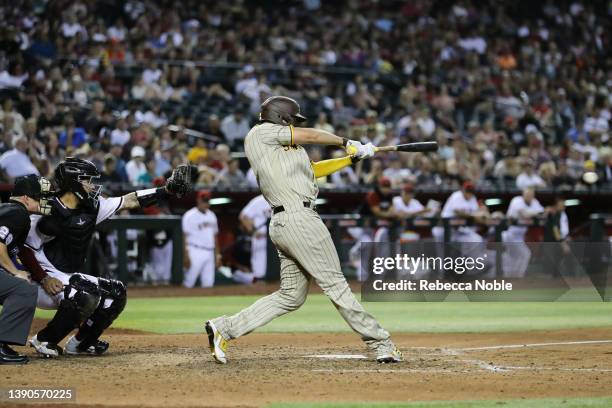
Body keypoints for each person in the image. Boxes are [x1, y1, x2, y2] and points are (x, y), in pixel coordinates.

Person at [205, 96, 402, 365]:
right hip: (298, 218)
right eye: (292, 120)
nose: (295, 125)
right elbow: (310, 134)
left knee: (291, 296)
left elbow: (313, 170)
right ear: (281, 118)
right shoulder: (260, 133)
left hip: (288, 222)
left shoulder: (287, 148)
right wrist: (346, 142)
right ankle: (381, 343)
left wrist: (351, 159)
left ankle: (225, 328)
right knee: (336, 284)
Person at [26, 158, 191, 358]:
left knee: (116, 293)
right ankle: (45, 339)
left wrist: (166, 190)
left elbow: (130, 200)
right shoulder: (44, 210)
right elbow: (24, 249)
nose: (92, 185)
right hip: (39, 279)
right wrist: (43, 278)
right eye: (87, 180)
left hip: (66, 275)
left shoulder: (92, 207)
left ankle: (80, 343)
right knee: (86, 295)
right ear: (73, 182)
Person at [0, 175, 52, 364]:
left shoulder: (8, 210)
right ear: (25, 198)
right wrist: (15, 272)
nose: (44, 201)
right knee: (24, 290)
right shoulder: (18, 213)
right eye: (40, 197)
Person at [502, 187, 544, 278]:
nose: (529, 197)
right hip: (510, 234)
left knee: (521, 255)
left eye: (531, 195)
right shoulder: (517, 200)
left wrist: (533, 213)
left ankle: (513, 276)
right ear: (523, 194)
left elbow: (542, 213)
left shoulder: (534, 202)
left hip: (519, 236)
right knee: (523, 254)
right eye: (527, 194)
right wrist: (534, 213)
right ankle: (515, 276)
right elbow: (524, 214)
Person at [182, 190, 220, 288]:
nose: (205, 203)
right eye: (204, 200)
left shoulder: (212, 215)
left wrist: (218, 255)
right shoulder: (189, 215)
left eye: (207, 201)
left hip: (210, 252)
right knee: (189, 282)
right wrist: (185, 255)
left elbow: (215, 237)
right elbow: (184, 237)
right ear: (198, 200)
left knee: (208, 283)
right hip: (194, 250)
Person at [238, 194, 272, 282]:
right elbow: (243, 216)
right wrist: (253, 231)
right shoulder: (259, 201)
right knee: (260, 273)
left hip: (276, 240)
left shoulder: (281, 199)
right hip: (262, 239)